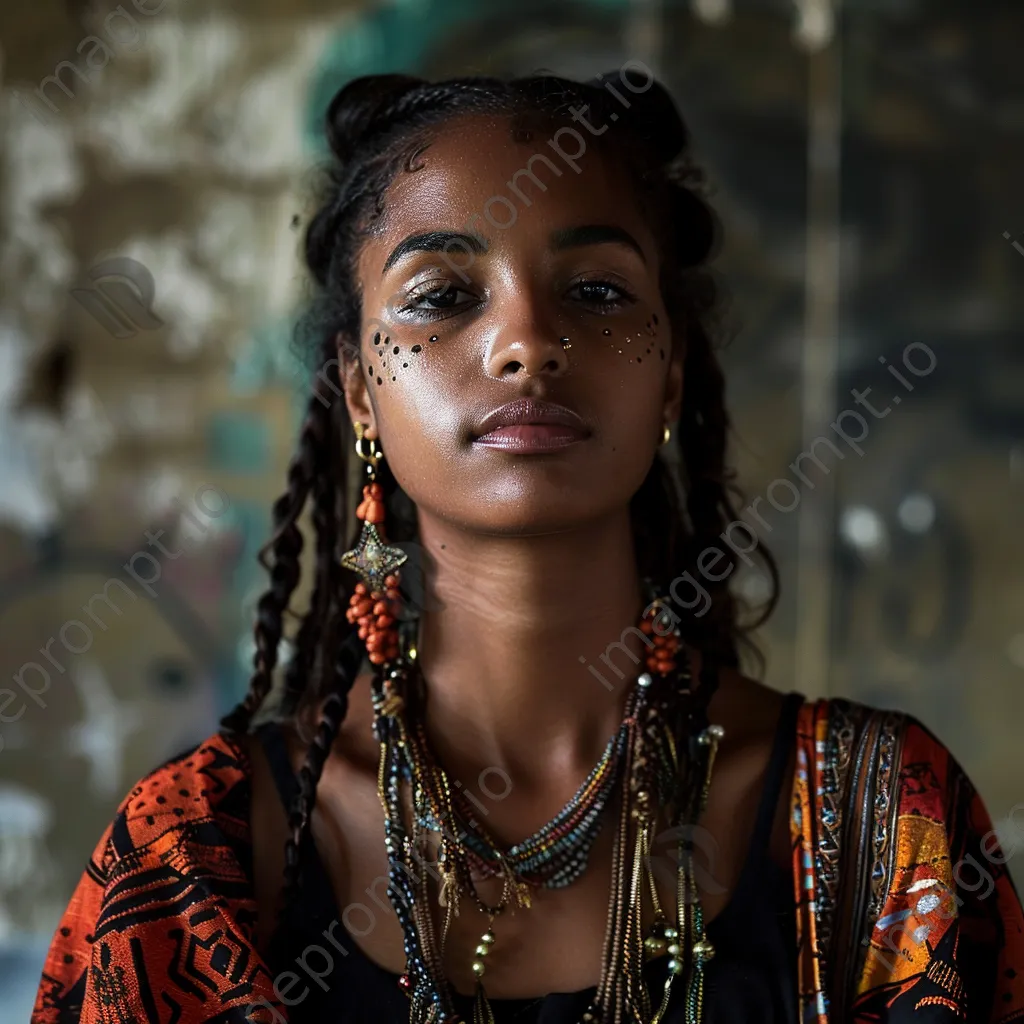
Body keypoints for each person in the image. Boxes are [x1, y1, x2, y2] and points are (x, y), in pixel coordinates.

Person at [32, 68, 1024, 1024]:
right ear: (356, 387)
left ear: (670, 373)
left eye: (596, 291)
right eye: (441, 294)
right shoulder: (200, 859)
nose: (526, 340)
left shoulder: (886, 825)